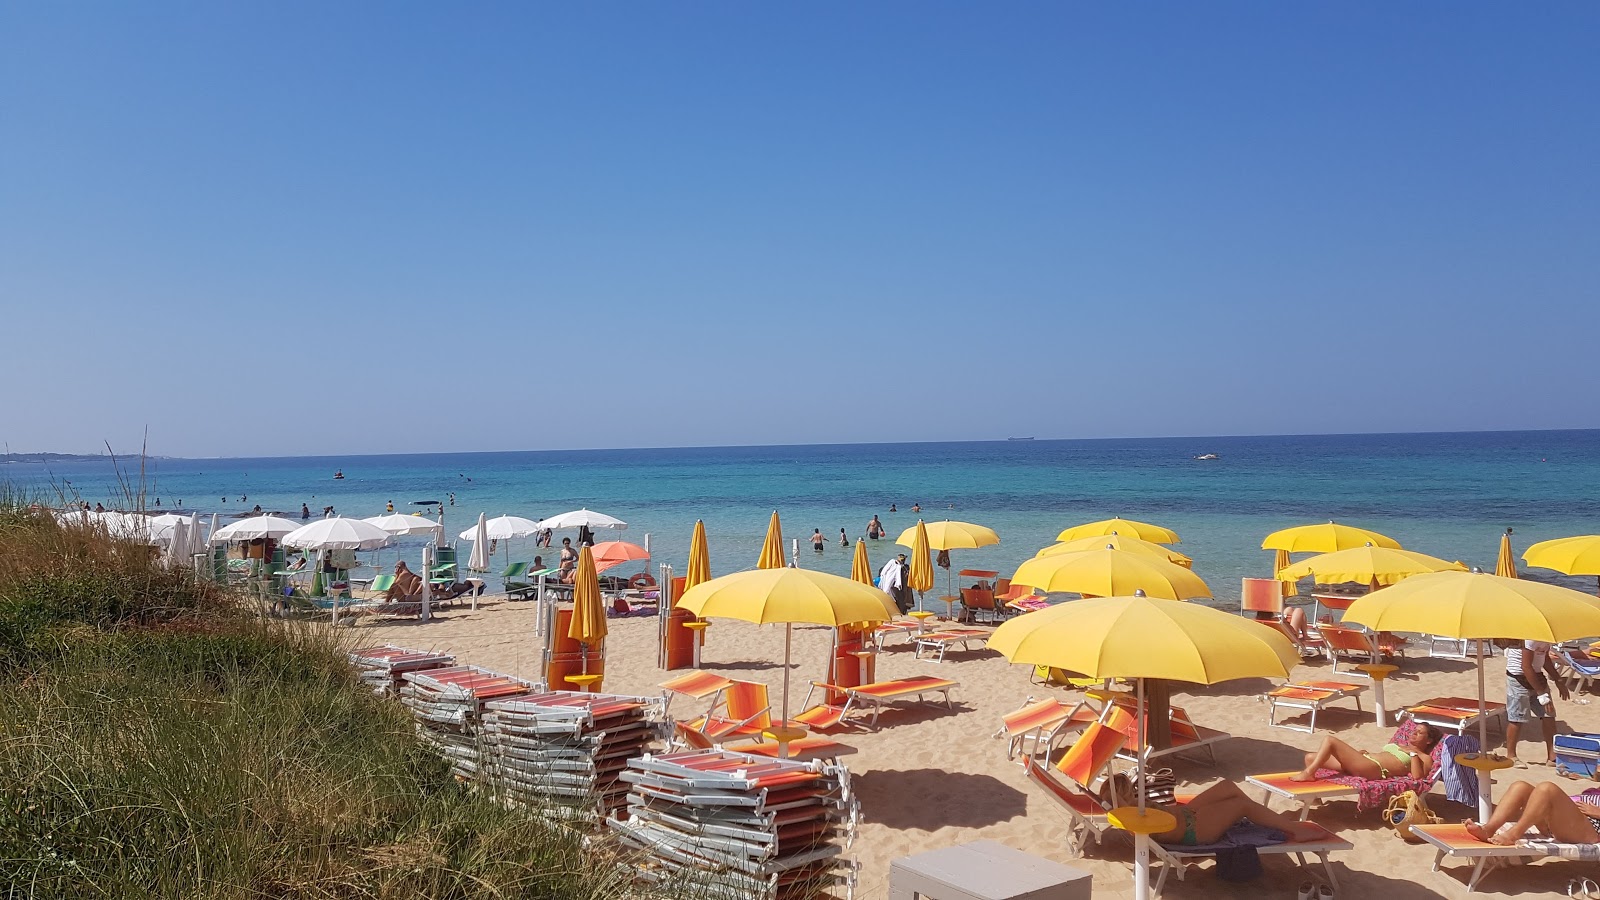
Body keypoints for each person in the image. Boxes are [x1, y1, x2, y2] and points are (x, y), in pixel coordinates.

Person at [1099, 776, 1325, 846]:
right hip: (1194, 829)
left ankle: (1259, 819)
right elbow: (1115, 800)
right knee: (1241, 805)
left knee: (1228, 787)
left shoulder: (1131, 805)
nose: (1131, 791)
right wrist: (1113, 796)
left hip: (1188, 814)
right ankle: (1293, 828)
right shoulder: (1125, 812)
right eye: (1126, 791)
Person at [1288, 724, 1441, 782]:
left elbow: (1418, 777)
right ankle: (1314, 799)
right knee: (1310, 757)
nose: (1413, 733)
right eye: (1414, 730)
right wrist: (1362, 754)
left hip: (1375, 770)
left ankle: (1308, 773)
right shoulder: (1399, 744)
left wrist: (1413, 754)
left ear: (1428, 741)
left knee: (1330, 740)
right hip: (1366, 761)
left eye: (1419, 732)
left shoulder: (1424, 757)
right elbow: (1384, 755)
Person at [1465, 780, 1600, 844]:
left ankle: (1512, 835)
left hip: (1590, 829)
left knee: (1546, 789)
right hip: (1563, 822)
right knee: (1520, 787)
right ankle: (1489, 828)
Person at [1506, 638, 1568, 766]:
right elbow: (1526, 666)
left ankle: (1552, 756)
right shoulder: (1530, 638)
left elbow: (1544, 658)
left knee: (1549, 715)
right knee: (1517, 717)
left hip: (1537, 676)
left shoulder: (1545, 637)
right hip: (1518, 678)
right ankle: (1511, 755)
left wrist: (1558, 680)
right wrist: (1541, 694)